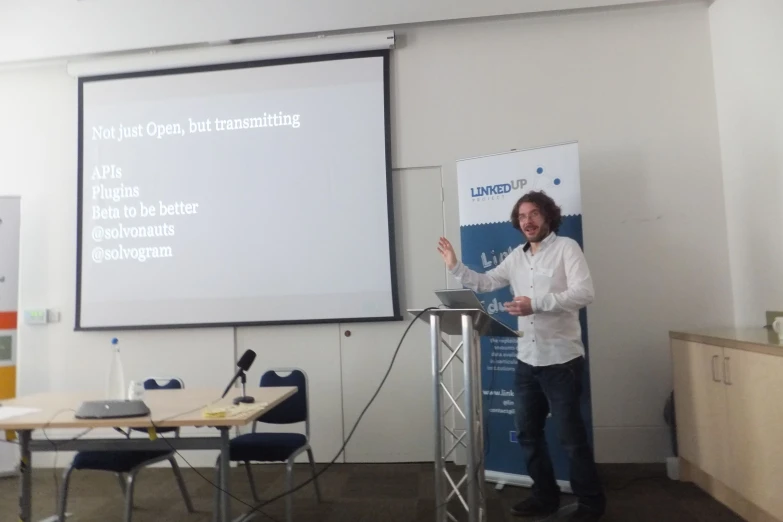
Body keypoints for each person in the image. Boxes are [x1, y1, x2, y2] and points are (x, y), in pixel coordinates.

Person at [437, 190, 605, 522]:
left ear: (548, 217)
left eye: (534, 214)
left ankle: (591, 504)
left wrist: (536, 304)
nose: (528, 221)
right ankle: (545, 496)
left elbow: (585, 292)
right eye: (523, 216)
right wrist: (455, 267)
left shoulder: (566, 249)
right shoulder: (517, 256)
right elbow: (485, 283)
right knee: (528, 434)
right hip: (527, 360)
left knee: (571, 438)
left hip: (562, 361)